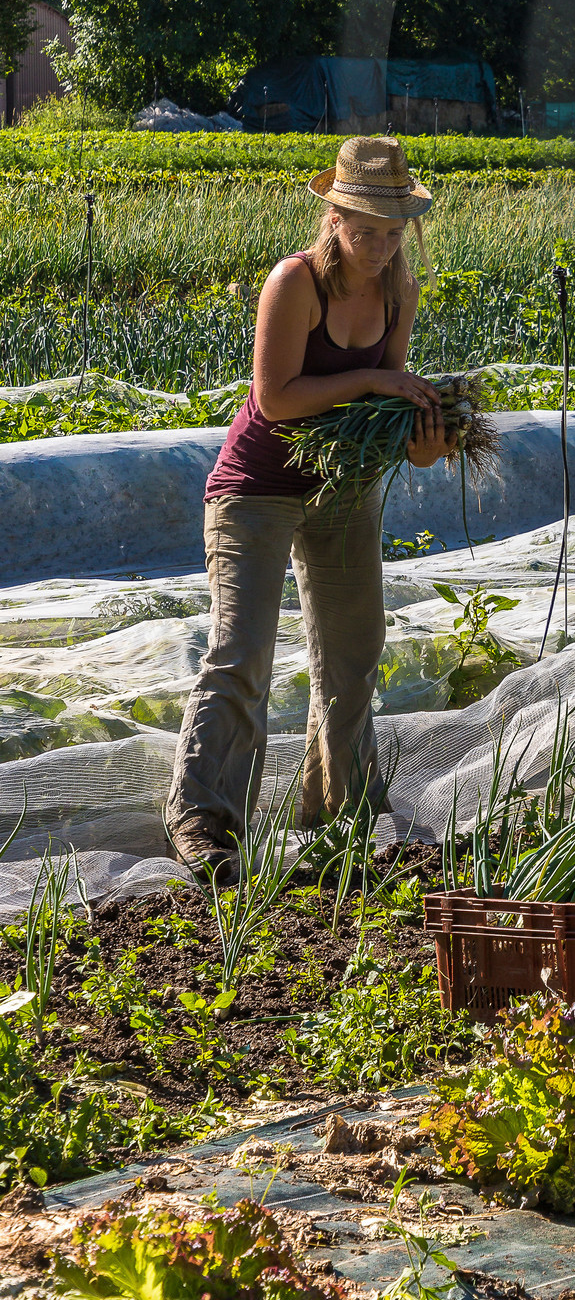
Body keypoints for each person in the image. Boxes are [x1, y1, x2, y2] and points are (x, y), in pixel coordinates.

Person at [165, 135, 449, 878]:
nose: (383, 247)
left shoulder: (399, 292)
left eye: (395, 233)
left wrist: (421, 442)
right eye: (368, 230)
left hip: (340, 489)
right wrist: (374, 384)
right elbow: (278, 399)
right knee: (243, 652)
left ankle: (344, 817)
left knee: (353, 657)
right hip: (255, 489)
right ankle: (204, 822)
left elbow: (380, 419)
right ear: (334, 218)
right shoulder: (295, 283)